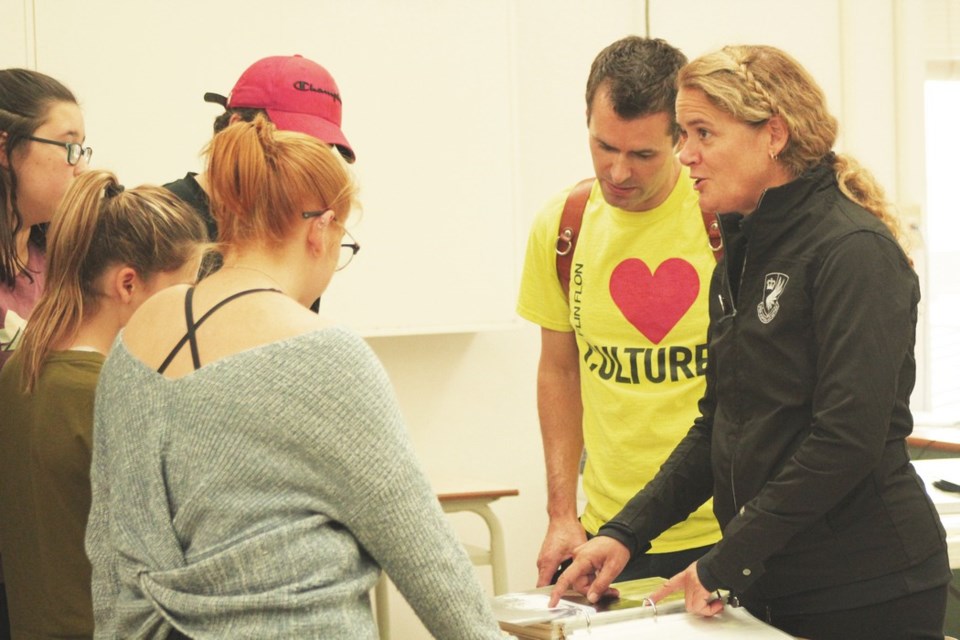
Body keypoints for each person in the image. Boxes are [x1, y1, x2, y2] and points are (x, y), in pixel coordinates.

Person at [550, 44, 951, 640]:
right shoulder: (742, 252)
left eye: (703, 133)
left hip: (866, 588)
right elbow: (720, 427)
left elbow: (846, 439)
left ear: (774, 136)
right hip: (772, 582)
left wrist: (723, 559)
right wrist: (624, 534)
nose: (685, 155)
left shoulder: (853, 251)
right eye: (683, 134)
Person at [85, 117, 504, 639]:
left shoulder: (139, 334)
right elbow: (425, 555)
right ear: (321, 228)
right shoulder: (324, 356)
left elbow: (107, 545)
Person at [516, 35, 721, 588]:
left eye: (643, 154)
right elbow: (559, 371)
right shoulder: (564, 225)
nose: (619, 172)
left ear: (682, 137)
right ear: (587, 120)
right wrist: (562, 514)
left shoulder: (724, 220)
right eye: (604, 146)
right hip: (609, 531)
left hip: (721, 528)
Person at [0, 170, 207, 639]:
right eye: (184, 290)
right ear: (128, 285)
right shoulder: (113, 399)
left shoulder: (22, 368)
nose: (190, 309)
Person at [0, 67, 90, 640]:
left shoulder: (57, 261)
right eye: (68, 146)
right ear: (4, 150)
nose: (79, 164)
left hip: (43, 530)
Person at [164, 54, 354, 262]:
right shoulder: (158, 221)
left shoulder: (297, 230)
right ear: (236, 127)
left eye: (320, 154)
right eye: (292, 146)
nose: (305, 168)